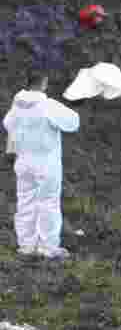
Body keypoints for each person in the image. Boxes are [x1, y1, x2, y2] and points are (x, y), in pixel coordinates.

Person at [3, 70, 80, 260]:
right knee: (48, 204)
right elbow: (73, 123)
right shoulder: (47, 105)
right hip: (46, 163)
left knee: (25, 202)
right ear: (44, 83)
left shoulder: (17, 104)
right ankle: (48, 248)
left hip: (23, 162)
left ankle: (27, 245)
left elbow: (7, 123)